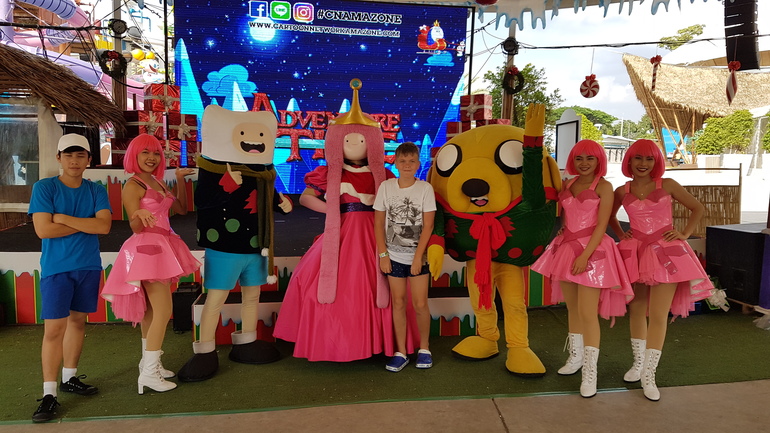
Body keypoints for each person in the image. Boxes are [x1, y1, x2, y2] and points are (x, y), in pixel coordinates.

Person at [274, 79, 417, 361]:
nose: (353, 144)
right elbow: (306, 198)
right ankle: (335, 342)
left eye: (360, 140)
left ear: (372, 143)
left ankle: (382, 341)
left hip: (376, 234)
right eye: (348, 140)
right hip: (340, 233)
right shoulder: (328, 173)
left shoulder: (383, 175)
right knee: (319, 282)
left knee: (381, 284)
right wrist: (334, 210)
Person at [608, 139, 715, 402]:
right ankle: (638, 363)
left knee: (658, 315)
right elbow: (609, 216)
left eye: (649, 159)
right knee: (636, 309)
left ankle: (649, 375)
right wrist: (621, 234)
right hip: (635, 253)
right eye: (638, 158)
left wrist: (684, 234)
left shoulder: (667, 184)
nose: (643, 164)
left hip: (666, 253)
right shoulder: (622, 190)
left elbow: (698, 208)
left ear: (656, 162)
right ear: (629, 160)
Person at [530, 139, 633, 397]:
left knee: (588, 313)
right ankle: (575, 357)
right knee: (573, 308)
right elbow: (567, 215)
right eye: (579, 158)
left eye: (590, 158)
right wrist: (565, 231)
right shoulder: (568, 184)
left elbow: (602, 225)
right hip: (567, 248)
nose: (584, 163)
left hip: (593, 253)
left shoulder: (605, 186)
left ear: (599, 160)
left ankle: (590, 371)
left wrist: (585, 256)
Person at [101, 134, 200, 394]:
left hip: (163, 245)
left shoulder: (157, 181)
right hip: (147, 250)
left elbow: (181, 210)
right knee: (162, 311)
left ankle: (148, 364)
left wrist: (179, 180)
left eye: (156, 153)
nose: (151, 158)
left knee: (150, 312)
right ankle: (148, 373)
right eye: (145, 152)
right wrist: (139, 213)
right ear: (134, 155)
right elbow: (135, 226)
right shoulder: (133, 185)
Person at [28, 133, 112, 423]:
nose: (74, 161)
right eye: (68, 155)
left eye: (80, 156)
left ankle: (70, 378)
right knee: (54, 330)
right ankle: (49, 394)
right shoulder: (44, 187)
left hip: (88, 266)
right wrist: (87, 224)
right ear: (59, 158)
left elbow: (104, 227)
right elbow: (43, 230)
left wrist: (62, 218)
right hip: (56, 268)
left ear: (89, 160)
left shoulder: (96, 190)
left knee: (77, 322)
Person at [374, 142, 436, 372]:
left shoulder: (425, 189)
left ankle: (424, 349)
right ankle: (401, 352)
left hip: (418, 258)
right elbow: (378, 223)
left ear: (418, 164)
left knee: (420, 303)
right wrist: (383, 254)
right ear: (396, 163)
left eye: (411, 161)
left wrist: (418, 258)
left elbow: (428, 226)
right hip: (393, 257)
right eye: (403, 161)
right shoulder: (386, 187)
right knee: (398, 303)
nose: (407, 165)